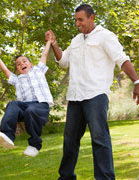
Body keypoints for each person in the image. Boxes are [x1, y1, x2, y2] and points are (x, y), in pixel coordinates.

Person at [45, 3, 139, 180]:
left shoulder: (105, 36)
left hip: (95, 95)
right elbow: (63, 61)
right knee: (70, 141)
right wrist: (54, 43)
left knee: (99, 140)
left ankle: (105, 178)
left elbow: (122, 59)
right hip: (75, 96)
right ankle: (65, 177)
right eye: (75, 20)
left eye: (80, 20)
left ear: (92, 17)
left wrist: (137, 81)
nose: (77, 24)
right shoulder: (76, 40)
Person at [0, 39, 54, 157]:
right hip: (25, 107)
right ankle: (7, 135)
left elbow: (44, 54)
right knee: (12, 104)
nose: (22, 64)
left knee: (31, 110)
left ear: (31, 64)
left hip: (40, 105)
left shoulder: (38, 70)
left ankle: (35, 144)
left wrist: (49, 42)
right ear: (17, 70)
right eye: (18, 64)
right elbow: (5, 70)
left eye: (24, 61)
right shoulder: (17, 79)